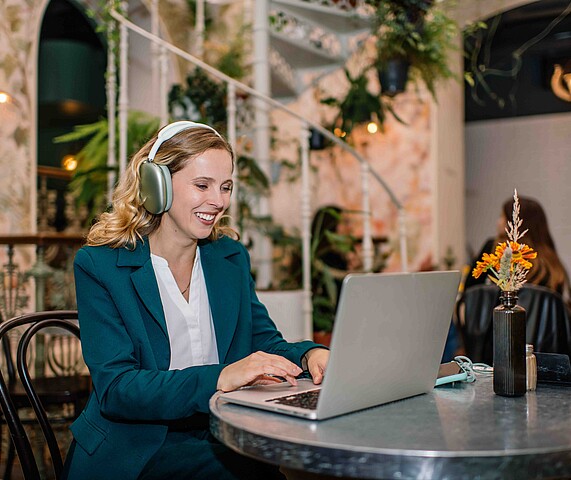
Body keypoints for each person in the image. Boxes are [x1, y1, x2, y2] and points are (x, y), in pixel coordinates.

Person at [63, 121, 329, 480]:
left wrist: (309, 354)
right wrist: (221, 376)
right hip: (135, 448)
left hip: (219, 431)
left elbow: (262, 342)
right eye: (202, 185)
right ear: (157, 185)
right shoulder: (101, 265)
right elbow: (118, 389)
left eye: (226, 187)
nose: (218, 201)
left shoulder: (229, 257)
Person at [464, 195, 570, 303]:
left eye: (501, 216)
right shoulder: (552, 265)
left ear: (511, 222)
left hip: (500, 318)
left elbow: (468, 292)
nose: (498, 222)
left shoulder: (497, 249)